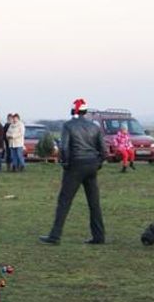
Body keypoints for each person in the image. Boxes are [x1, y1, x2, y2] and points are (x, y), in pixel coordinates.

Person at [39, 99, 106, 245]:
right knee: (94, 203)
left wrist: (66, 164)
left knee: (64, 201)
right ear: (85, 111)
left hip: (75, 165)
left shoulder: (68, 126)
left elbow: (64, 148)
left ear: (73, 111)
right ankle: (99, 236)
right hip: (91, 166)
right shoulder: (94, 127)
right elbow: (103, 150)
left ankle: (55, 235)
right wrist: (98, 163)